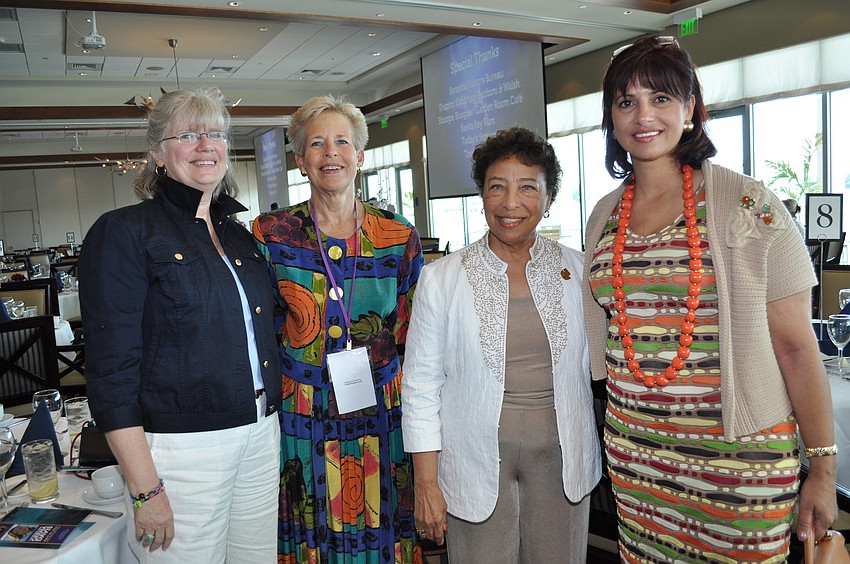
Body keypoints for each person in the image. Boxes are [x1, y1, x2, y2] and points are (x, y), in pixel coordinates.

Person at [583, 36, 838, 561]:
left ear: (690, 108)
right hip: (639, 464)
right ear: (611, 117)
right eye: (626, 102)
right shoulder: (604, 215)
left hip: (738, 466)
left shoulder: (748, 205)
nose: (642, 115)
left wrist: (824, 470)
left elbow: (796, 347)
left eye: (660, 98)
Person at [79, 86, 282, 562]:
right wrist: (145, 488)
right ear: (157, 153)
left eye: (215, 134)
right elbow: (111, 374)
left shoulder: (240, 236)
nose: (206, 145)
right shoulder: (125, 231)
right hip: (180, 451)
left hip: (259, 434)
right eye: (188, 134)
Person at [402, 126, 600, 563]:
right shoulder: (442, 279)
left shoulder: (581, 271)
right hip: (472, 462)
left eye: (528, 187)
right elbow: (419, 388)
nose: (511, 203)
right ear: (482, 196)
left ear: (548, 199)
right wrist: (426, 484)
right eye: (498, 187)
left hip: (564, 462)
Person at [252, 95, 423, 563]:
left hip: (381, 410)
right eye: (317, 144)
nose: (331, 153)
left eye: (342, 142)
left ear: (360, 156)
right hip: (302, 411)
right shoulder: (272, 234)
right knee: (313, 527)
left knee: (381, 519)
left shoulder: (397, 235)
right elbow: (259, 331)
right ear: (301, 159)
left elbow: (414, 335)